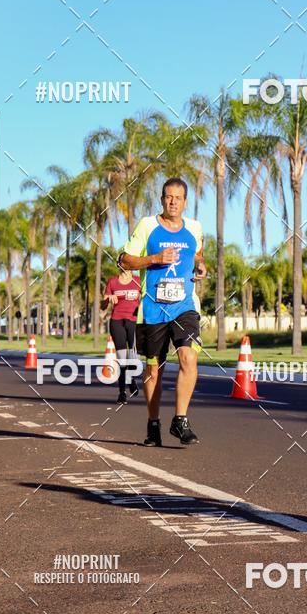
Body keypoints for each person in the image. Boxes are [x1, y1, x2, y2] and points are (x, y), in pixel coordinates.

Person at [119, 177, 206, 447]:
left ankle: (180, 421)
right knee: (153, 371)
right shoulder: (147, 226)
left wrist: (201, 266)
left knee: (188, 358)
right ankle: (153, 423)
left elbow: (198, 253)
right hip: (153, 309)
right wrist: (154, 259)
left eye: (178, 198)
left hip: (184, 306)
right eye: (169, 197)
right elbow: (124, 260)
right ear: (161, 199)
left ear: (185, 202)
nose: (173, 202)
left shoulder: (194, 227)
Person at [101, 269, 141, 404]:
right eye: (123, 263)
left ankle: (131, 379)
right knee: (122, 359)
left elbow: (147, 299)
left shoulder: (138, 281)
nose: (126, 266)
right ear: (119, 265)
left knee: (133, 357)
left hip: (134, 321)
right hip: (117, 321)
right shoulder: (112, 282)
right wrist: (108, 300)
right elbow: (102, 307)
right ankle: (122, 393)